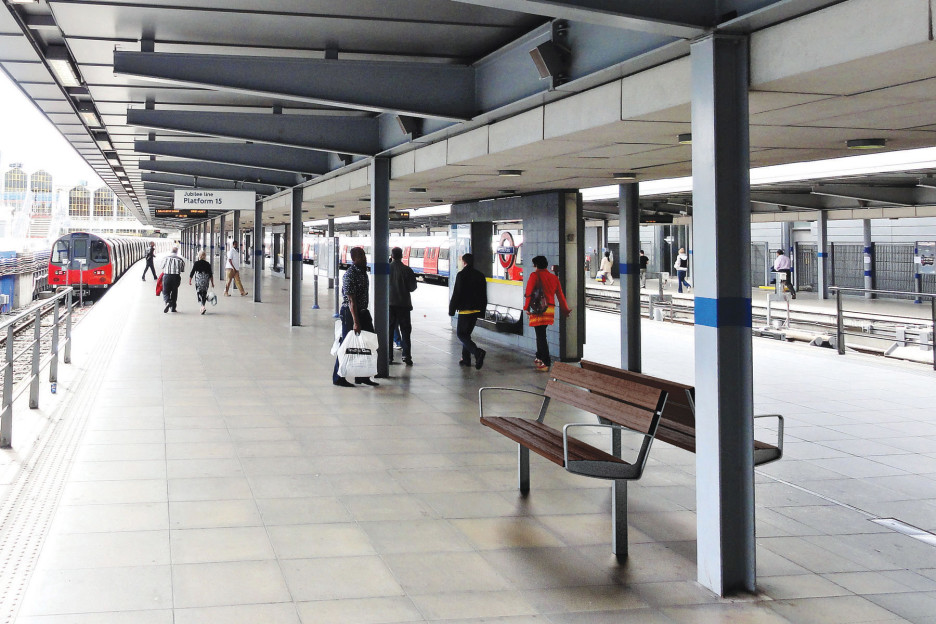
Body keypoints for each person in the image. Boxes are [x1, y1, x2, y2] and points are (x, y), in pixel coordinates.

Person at [333, 246, 379, 388]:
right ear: (353, 258)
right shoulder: (350, 275)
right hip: (350, 313)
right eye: (361, 255)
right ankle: (338, 377)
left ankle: (362, 376)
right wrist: (356, 322)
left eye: (364, 255)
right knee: (347, 345)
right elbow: (351, 301)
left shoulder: (363, 272)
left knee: (368, 342)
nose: (364, 258)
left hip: (363, 311)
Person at [524, 256, 572, 372]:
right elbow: (560, 295)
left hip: (538, 308)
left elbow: (529, 293)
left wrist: (526, 307)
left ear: (536, 265)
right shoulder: (553, 278)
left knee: (540, 335)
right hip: (549, 309)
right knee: (541, 333)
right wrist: (565, 310)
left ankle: (546, 361)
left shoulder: (534, 275)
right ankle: (539, 357)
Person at [448, 253, 487, 370]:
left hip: (465, 310)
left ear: (464, 262)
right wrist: (482, 310)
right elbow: (483, 295)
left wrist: (451, 309)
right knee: (467, 335)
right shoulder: (480, 275)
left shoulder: (461, 275)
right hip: (476, 310)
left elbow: (457, 293)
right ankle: (466, 359)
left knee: (461, 334)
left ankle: (477, 352)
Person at [388, 247, 417, 366]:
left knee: (389, 331)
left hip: (390, 305)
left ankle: (389, 357)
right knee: (405, 331)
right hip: (404, 305)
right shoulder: (407, 270)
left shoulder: (387, 269)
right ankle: (406, 356)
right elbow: (412, 287)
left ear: (391, 256)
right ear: (402, 256)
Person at [189, 250, 215, 315]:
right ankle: (202, 306)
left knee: (199, 293)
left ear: (199, 256)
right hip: (205, 282)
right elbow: (210, 274)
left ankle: (202, 306)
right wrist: (212, 283)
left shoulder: (196, 263)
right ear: (205, 256)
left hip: (198, 281)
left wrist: (190, 280)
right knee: (204, 293)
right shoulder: (208, 264)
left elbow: (192, 272)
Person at [161, 245, 185, 313]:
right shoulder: (180, 260)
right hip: (176, 277)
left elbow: (162, 266)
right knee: (174, 292)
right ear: (177, 252)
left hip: (167, 276)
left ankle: (168, 301)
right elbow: (182, 270)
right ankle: (173, 308)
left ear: (171, 251)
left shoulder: (165, 258)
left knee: (165, 291)